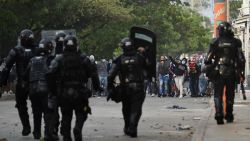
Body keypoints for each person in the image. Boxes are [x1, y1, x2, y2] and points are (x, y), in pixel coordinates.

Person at [46, 35, 102, 141]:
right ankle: (78, 128)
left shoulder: (59, 59)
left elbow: (50, 74)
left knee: (66, 115)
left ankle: (67, 136)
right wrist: (97, 87)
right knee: (82, 113)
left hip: (64, 93)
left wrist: (53, 90)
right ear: (76, 45)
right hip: (80, 91)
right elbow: (93, 73)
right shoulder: (83, 58)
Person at [204, 21, 245, 125]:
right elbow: (241, 59)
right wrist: (241, 72)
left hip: (218, 71)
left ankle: (218, 113)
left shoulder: (215, 41)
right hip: (231, 70)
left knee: (218, 94)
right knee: (230, 94)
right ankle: (229, 115)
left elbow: (207, 59)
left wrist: (210, 67)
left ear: (221, 30)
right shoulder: (236, 42)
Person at [107, 37, 148, 138]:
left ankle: (128, 126)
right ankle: (132, 126)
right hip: (138, 88)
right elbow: (148, 67)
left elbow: (111, 75)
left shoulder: (120, 59)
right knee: (136, 109)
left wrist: (110, 87)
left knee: (126, 108)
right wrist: (144, 52)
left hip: (125, 88)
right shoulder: (140, 57)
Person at [0, 29, 36, 136]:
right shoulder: (38, 49)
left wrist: (2, 81)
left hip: (23, 82)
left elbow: (6, 67)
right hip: (35, 82)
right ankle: (35, 129)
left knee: (21, 105)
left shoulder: (16, 50)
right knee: (37, 106)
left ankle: (26, 127)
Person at [25, 38, 54, 140]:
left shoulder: (32, 60)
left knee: (36, 112)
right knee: (47, 112)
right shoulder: (50, 60)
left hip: (33, 90)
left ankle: (37, 133)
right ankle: (47, 133)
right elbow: (52, 74)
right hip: (45, 90)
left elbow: (26, 75)